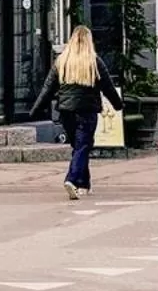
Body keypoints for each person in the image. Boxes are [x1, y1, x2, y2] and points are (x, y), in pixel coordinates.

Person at [31, 26, 123, 201]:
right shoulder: (94, 62)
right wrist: (118, 106)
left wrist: (35, 109)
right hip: (87, 112)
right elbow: (108, 87)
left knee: (80, 147)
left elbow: (47, 88)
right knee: (82, 146)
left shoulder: (62, 61)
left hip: (66, 113)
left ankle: (84, 184)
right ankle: (71, 179)